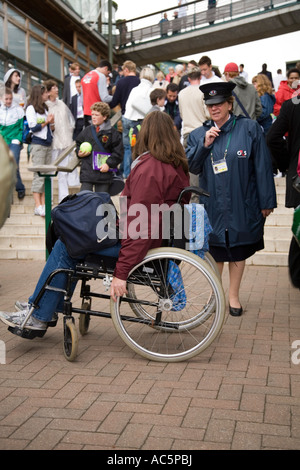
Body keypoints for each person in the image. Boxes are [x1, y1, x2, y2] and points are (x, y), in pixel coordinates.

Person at [0, 112, 190, 332]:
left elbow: (142, 229)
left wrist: (121, 272)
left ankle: (41, 314)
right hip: (155, 237)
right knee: (76, 235)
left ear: (146, 134)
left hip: (144, 242)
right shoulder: (174, 164)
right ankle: (46, 305)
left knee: (67, 245)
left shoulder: (150, 169)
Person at [186, 81, 276, 316]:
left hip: (241, 200)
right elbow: (192, 168)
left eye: (218, 104)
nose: (214, 108)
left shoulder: (249, 128)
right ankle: (215, 295)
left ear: (229, 104)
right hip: (213, 203)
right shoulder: (198, 134)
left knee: (237, 250)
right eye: (210, 105)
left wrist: (267, 201)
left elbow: (263, 166)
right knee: (216, 250)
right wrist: (205, 145)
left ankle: (233, 296)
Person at [266, 93, 300, 288]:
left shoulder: (292, 105)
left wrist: (287, 163)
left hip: (298, 176)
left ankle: (297, 275)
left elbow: (272, 137)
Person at [76, 101, 123, 194]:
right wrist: (79, 152)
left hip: (103, 173)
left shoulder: (112, 133)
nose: (93, 117)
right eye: (92, 114)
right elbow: (78, 142)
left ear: (105, 117)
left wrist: (108, 164)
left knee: (101, 201)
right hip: (88, 173)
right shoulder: (87, 131)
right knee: (84, 199)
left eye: (97, 115)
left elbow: (118, 153)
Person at [45, 80, 76, 203]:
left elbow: (70, 121)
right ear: (48, 91)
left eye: (57, 87)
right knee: (51, 171)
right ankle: (50, 197)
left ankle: (64, 197)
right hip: (53, 143)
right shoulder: (45, 105)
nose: (56, 89)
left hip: (65, 141)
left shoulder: (62, 104)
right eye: (53, 88)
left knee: (63, 171)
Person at [25, 84, 54, 217]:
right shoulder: (31, 108)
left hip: (48, 143)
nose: (47, 95)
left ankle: (43, 204)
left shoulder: (45, 108)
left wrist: (51, 123)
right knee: (38, 175)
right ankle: (38, 205)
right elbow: (34, 127)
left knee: (46, 175)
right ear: (39, 94)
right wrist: (47, 122)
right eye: (44, 93)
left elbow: (46, 126)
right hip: (38, 144)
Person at [109, 60, 140, 179]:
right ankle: (133, 172)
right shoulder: (139, 82)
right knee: (137, 147)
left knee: (127, 147)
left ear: (126, 69)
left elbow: (114, 101)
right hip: (138, 118)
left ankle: (126, 173)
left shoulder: (121, 82)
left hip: (126, 116)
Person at [123, 67, 155, 177]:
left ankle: (127, 173)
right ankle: (138, 173)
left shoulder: (135, 89)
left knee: (128, 148)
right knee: (142, 149)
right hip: (139, 122)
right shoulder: (150, 90)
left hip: (127, 118)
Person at [0, 88, 26, 200]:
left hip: (14, 140)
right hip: (2, 141)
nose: (9, 101)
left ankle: (19, 188)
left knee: (13, 163)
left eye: (10, 98)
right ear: (1, 99)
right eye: (6, 99)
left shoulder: (18, 110)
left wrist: (19, 139)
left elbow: (22, 127)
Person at [81, 60, 113, 127]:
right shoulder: (101, 76)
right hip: (98, 113)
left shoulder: (85, 77)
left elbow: (82, 99)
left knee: (89, 135)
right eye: (108, 73)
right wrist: (117, 97)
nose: (107, 75)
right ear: (106, 68)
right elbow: (104, 98)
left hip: (86, 112)